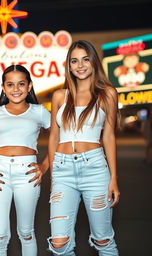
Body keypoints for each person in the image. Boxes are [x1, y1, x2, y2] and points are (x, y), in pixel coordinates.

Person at [48, 40, 120, 255]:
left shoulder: (107, 93)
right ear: (68, 66)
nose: (80, 65)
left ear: (94, 63)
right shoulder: (60, 96)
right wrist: (53, 176)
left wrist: (113, 178)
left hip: (96, 170)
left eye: (85, 59)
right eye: (74, 61)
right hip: (62, 171)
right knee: (59, 243)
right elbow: (53, 136)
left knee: (103, 240)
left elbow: (108, 136)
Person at [0, 64, 51, 256]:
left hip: (27, 173)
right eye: (10, 84)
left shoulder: (40, 111)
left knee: (26, 233)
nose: (16, 89)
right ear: (3, 87)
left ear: (29, 86)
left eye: (21, 84)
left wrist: (44, 167)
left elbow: (58, 139)